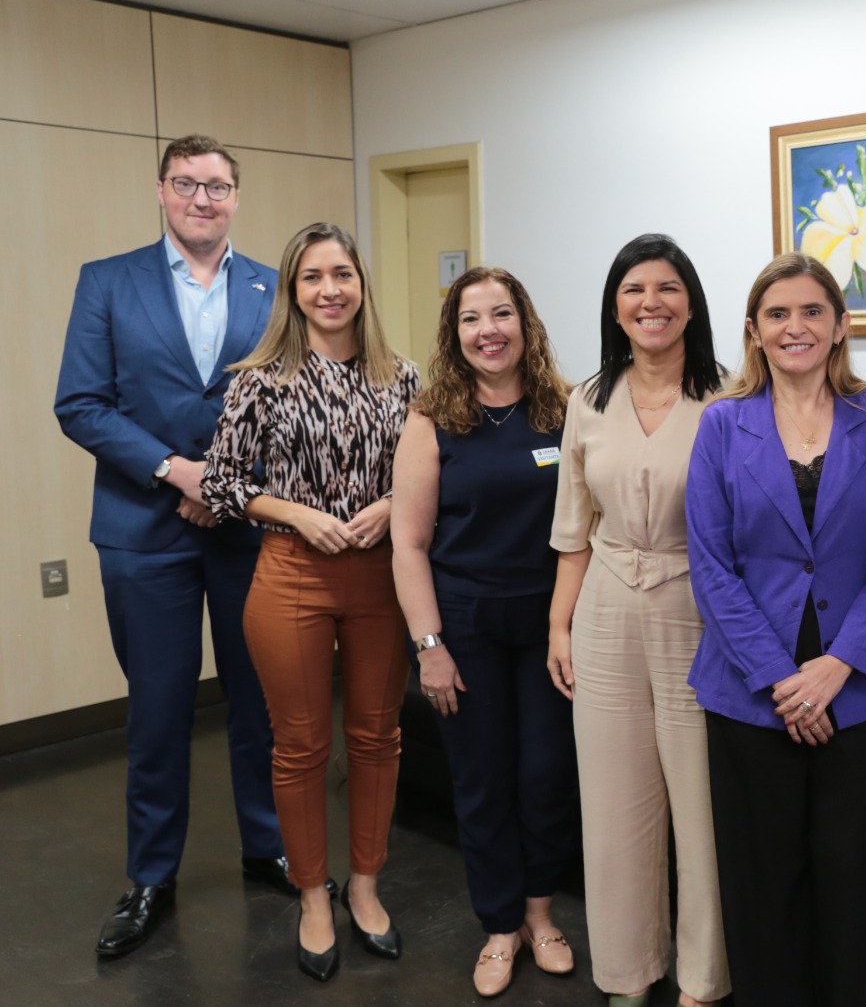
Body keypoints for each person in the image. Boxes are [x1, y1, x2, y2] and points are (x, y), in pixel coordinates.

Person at [54, 134, 299, 957]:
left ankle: (268, 846)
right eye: (187, 184)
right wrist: (175, 471)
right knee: (157, 712)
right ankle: (152, 877)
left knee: (259, 702)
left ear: (236, 197)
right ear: (161, 191)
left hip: (244, 527)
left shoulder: (274, 288)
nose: (203, 199)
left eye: (218, 186)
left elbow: (291, 406)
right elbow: (81, 404)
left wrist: (221, 482)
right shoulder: (107, 282)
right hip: (142, 530)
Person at [685, 252, 866, 1006]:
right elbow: (711, 566)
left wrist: (837, 665)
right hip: (753, 694)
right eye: (778, 313)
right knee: (763, 885)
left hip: (860, 691)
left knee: (856, 882)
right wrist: (784, 680)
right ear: (754, 331)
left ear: (841, 325)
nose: (796, 327)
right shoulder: (722, 424)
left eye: (813, 311)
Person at [201, 222, 418, 982]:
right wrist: (296, 513)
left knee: (377, 738)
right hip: (292, 574)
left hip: (381, 578)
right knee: (298, 746)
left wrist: (390, 504)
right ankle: (312, 894)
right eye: (313, 277)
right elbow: (222, 483)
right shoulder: (260, 378)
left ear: (362, 283)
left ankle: (365, 885)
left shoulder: (403, 377)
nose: (330, 290)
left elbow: (433, 472)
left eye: (342, 274)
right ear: (293, 292)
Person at [548, 234, 730, 1007]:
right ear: (615, 308)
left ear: (691, 303)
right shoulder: (587, 399)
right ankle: (628, 970)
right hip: (606, 607)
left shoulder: (730, 396)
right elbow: (573, 530)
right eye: (633, 290)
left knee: (702, 804)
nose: (650, 303)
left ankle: (703, 978)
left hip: (700, 608)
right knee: (614, 805)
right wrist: (558, 628)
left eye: (667, 288)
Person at [391, 266, 580, 997]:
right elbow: (409, 544)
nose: (488, 331)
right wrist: (429, 647)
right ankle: (500, 926)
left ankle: (540, 914)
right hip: (465, 626)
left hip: (550, 626)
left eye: (501, 314)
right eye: (471, 319)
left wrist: (568, 625)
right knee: (482, 780)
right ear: (454, 334)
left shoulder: (565, 407)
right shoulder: (432, 417)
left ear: (524, 324)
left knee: (545, 776)